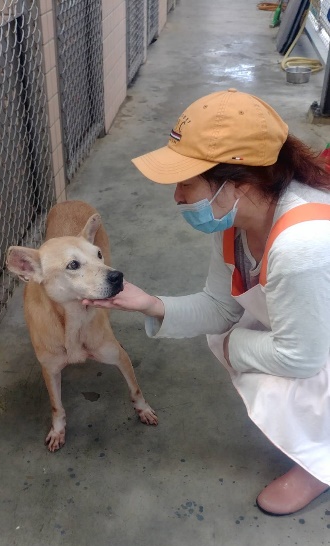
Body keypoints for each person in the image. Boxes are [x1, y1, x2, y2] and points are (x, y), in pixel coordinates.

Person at [84, 88, 330, 516]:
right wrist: (148, 303)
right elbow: (221, 307)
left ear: (237, 183)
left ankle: (320, 462)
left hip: (313, 347)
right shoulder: (236, 220)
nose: (177, 197)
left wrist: (233, 347)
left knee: (263, 366)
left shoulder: (300, 244)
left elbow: (301, 357)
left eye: (185, 182)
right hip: (313, 330)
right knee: (238, 340)